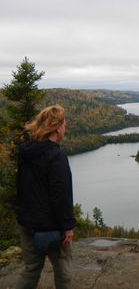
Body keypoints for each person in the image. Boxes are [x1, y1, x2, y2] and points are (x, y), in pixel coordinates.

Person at [16, 104, 75, 289]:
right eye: (64, 124)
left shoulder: (27, 152)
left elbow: (22, 188)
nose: (65, 128)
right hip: (51, 227)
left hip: (27, 223)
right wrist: (67, 226)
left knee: (31, 269)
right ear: (58, 128)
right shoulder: (56, 156)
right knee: (63, 271)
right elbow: (61, 195)